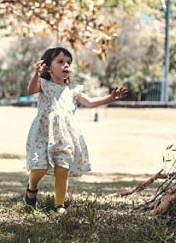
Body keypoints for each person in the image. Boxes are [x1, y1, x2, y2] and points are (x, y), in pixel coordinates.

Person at [24, 47, 126, 213]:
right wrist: (36, 73)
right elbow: (31, 89)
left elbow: (91, 102)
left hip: (65, 136)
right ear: (48, 68)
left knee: (62, 168)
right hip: (42, 133)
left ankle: (59, 205)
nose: (66, 65)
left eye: (69, 63)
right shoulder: (44, 85)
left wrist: (111, 98)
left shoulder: (72, 91)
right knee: (39, 167)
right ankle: (32, 187)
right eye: (61, 62)